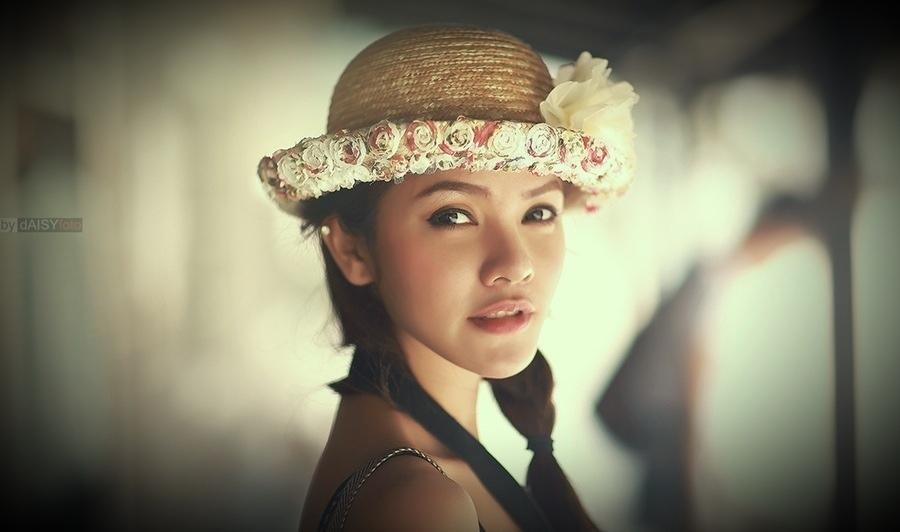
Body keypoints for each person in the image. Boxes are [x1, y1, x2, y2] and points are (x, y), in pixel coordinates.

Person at [256, 24, 638, 532]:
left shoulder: (412, 471)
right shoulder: (418, 505)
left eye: (539, 213)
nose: (514, 263)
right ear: (353, 249)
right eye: (453, 215)